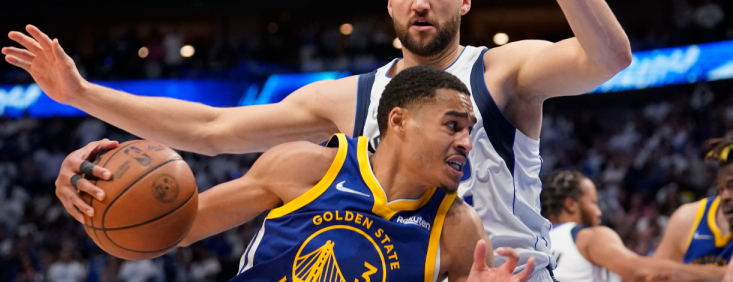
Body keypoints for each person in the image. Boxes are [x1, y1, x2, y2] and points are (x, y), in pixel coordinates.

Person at [3, 0, 632, 279]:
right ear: (388, 0)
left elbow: (609, 58)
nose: (421, 1)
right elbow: (212, 131)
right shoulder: (347, 99)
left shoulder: (502, 72)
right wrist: (82, 94)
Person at [175, 66, 535, 281]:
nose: (466, 143)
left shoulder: (458, 226)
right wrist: (117, 190)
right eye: (452, 126)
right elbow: (180, 229)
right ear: (399, 121)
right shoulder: (310, 167)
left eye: (468, 131)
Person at [542, 170, 726, 282]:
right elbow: (639, 272)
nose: (598, 212)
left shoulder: (534, 243)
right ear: (571, 204)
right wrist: (722, 273)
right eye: (593, 203)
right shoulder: (587, 236)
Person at [655, 133, 733, 266]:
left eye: (732, 187)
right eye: (720, 189)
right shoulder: (687, 218)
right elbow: (657, 275)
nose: (724, 196)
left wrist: (680, 274)